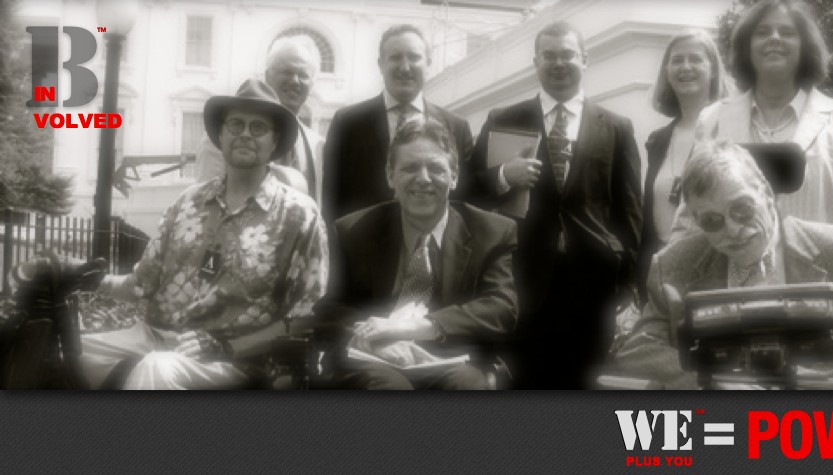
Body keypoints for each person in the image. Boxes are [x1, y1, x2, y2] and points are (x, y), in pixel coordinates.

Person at [613, 141, 833, 389]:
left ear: (767, 195)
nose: (733, 229)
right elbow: (636, 354)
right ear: (696, 221)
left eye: (742, 209)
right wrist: (709, 377)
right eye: (712, 221)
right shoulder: (673, 265)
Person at [80, 79, 329, 389]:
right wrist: (84, 278)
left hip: (233, 358)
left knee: (158, 370)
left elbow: (305, 316)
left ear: (275, 141)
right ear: (221, 134)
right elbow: (139, 285)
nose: (245, 134)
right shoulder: (188, 202)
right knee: (66, 351)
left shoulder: (299, 215)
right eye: (236, 124)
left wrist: (228, 347)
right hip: (154, 335)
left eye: (258, 127)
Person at [462, 22, 643, 389]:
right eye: (549, 56)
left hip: (593, 282)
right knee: (524, 381)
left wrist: (628, 277)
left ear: (585, 60)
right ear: (536, 62)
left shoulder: (617, 127)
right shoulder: (504, 119)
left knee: (584, 380)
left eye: (567, 55)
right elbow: (467, 192)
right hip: (521, 277)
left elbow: (630, 209)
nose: (558, 63)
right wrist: (502, 175)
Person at [670, 0, 833, 269]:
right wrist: (675, 285)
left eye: (787, 32)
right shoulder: (712, 121)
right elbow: (689, 215)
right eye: (762, 32)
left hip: (824, 293)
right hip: (730, 296)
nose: (774, 38)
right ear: (747, 47)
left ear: (805, 47)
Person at [315, 119, 518, 390]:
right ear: (390, 176)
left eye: (435, 168)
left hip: (453, 358)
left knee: (468, 386)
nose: (423, 179)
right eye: (410, 168)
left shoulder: (492, 232)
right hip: (374, 360)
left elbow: (501, 306)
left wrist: (417, 328)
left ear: (454, 176)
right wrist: (375, 338)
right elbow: (331, 310)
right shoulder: (353, 230)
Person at [321, 24, 474, 224]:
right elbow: (332, 198)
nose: (405, 67)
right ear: (381, 64)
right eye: (395, 57)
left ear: (428, 63)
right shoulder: (347, 122)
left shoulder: (457, 127)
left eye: (414, 57)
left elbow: (466, 198)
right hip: (362, 247)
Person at [637, 29, 731, 303]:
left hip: (715, 271)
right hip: (665, 272)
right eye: (677, 60)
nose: (685, 67)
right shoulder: (658, 140)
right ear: (667, 71)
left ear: (712, 69)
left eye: (695, 59)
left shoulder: (731, 127)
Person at [195, 35, 323, 203]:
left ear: (312, 83)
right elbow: (207, 203)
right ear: (267, 75)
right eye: (287, 72)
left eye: (303, 75)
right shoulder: (227, 137)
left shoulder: (319, 145)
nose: (295, 81)